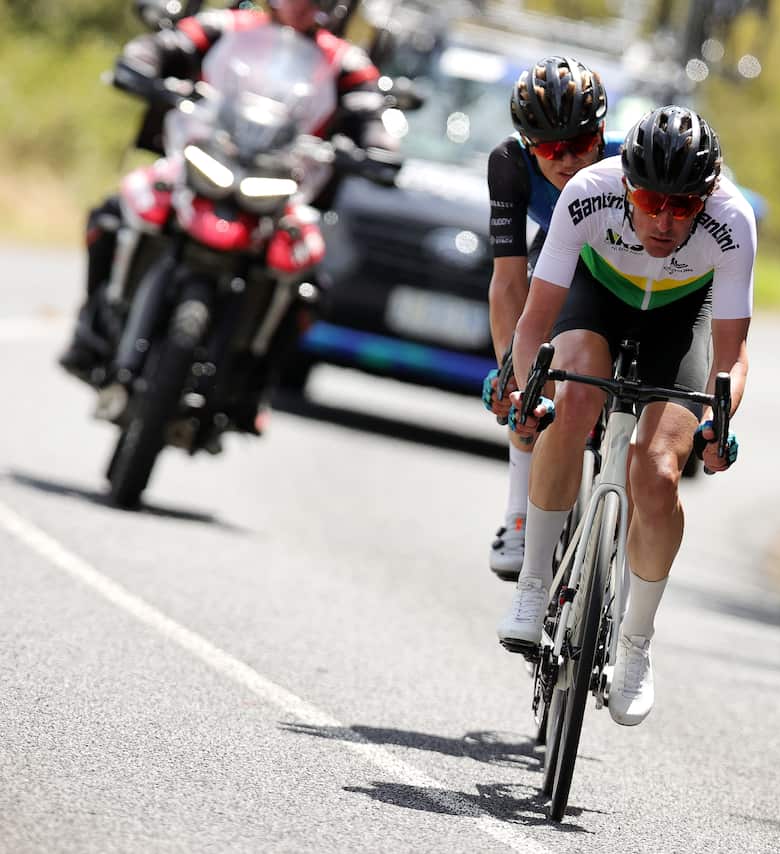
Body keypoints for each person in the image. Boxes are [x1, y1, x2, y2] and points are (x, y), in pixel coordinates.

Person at [497, 105, 756, 727]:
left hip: (680, 320)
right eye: (649, 199)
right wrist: (528, 387)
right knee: (570, 398)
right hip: (598, 301)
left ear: (706, 199)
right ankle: (534, 586)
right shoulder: (587, 193)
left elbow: (732, 354)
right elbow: (535, 321)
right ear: (625, 184)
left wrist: (719, 421)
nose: (665, 220)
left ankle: (635, 644)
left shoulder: (733, 219)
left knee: (660, 470)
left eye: (683, 207)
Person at [58, 0, 399, 381]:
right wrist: (142, 59)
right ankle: (92, 328)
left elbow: (371, 108)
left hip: (285, 187)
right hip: (197, 159)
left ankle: (255, 382)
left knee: (311, 285)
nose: (303, 4)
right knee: (112, 212)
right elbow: (167, 44)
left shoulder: (344, 59)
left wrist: (379, 144)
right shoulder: (227, 25)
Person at [481, 55, 618, 581]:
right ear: (525, 143)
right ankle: (519, 513)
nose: (566, 160)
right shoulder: (508, 165)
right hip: (554, 254)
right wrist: (509, 372)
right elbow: (509, 280)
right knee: (528, 378)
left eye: (581, 145)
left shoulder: (626, 160)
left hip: (617, 258)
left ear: (601, 134)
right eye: (549, 149)